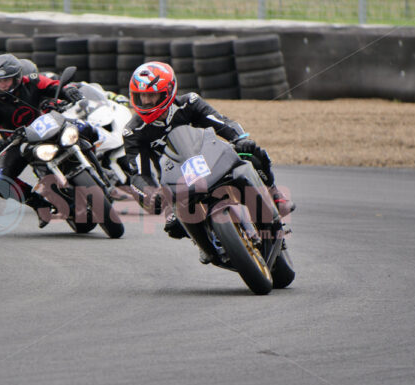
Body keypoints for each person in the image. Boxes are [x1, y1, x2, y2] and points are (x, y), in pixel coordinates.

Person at [122, 61, 295, 262]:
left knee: (251, 153)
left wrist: (240, 139)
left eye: (151, 95)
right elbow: (139, 174)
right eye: (141, 96)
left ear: (167, 92)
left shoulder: (189, 103)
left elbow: (222, 122)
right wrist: (151, 194)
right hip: (176, 182)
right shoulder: (134, 131)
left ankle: (275, 195)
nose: (146, 101)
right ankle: (204, 242)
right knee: (173, 224)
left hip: (211, 159)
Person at [0, 53, 84, 228]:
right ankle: (38, 204)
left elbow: (54, 86)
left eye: (7, 80)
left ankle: (99, 163)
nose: (2, 84)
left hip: (47, 126)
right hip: (18, 142)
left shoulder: (32, 80)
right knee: (1, 181)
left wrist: (67, 90)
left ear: (17, 77)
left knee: (83, 127)